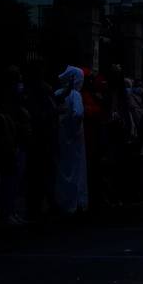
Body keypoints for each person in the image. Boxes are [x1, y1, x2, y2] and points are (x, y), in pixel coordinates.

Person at [53, 66, 88, 217]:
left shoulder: (57, 93)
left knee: (62, 170)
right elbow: (78, 114)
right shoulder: (75, 95)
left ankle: (62, 202)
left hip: (60, 136)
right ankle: (75, 203)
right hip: (74, 139)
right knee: (75, 170)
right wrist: (74, 129)